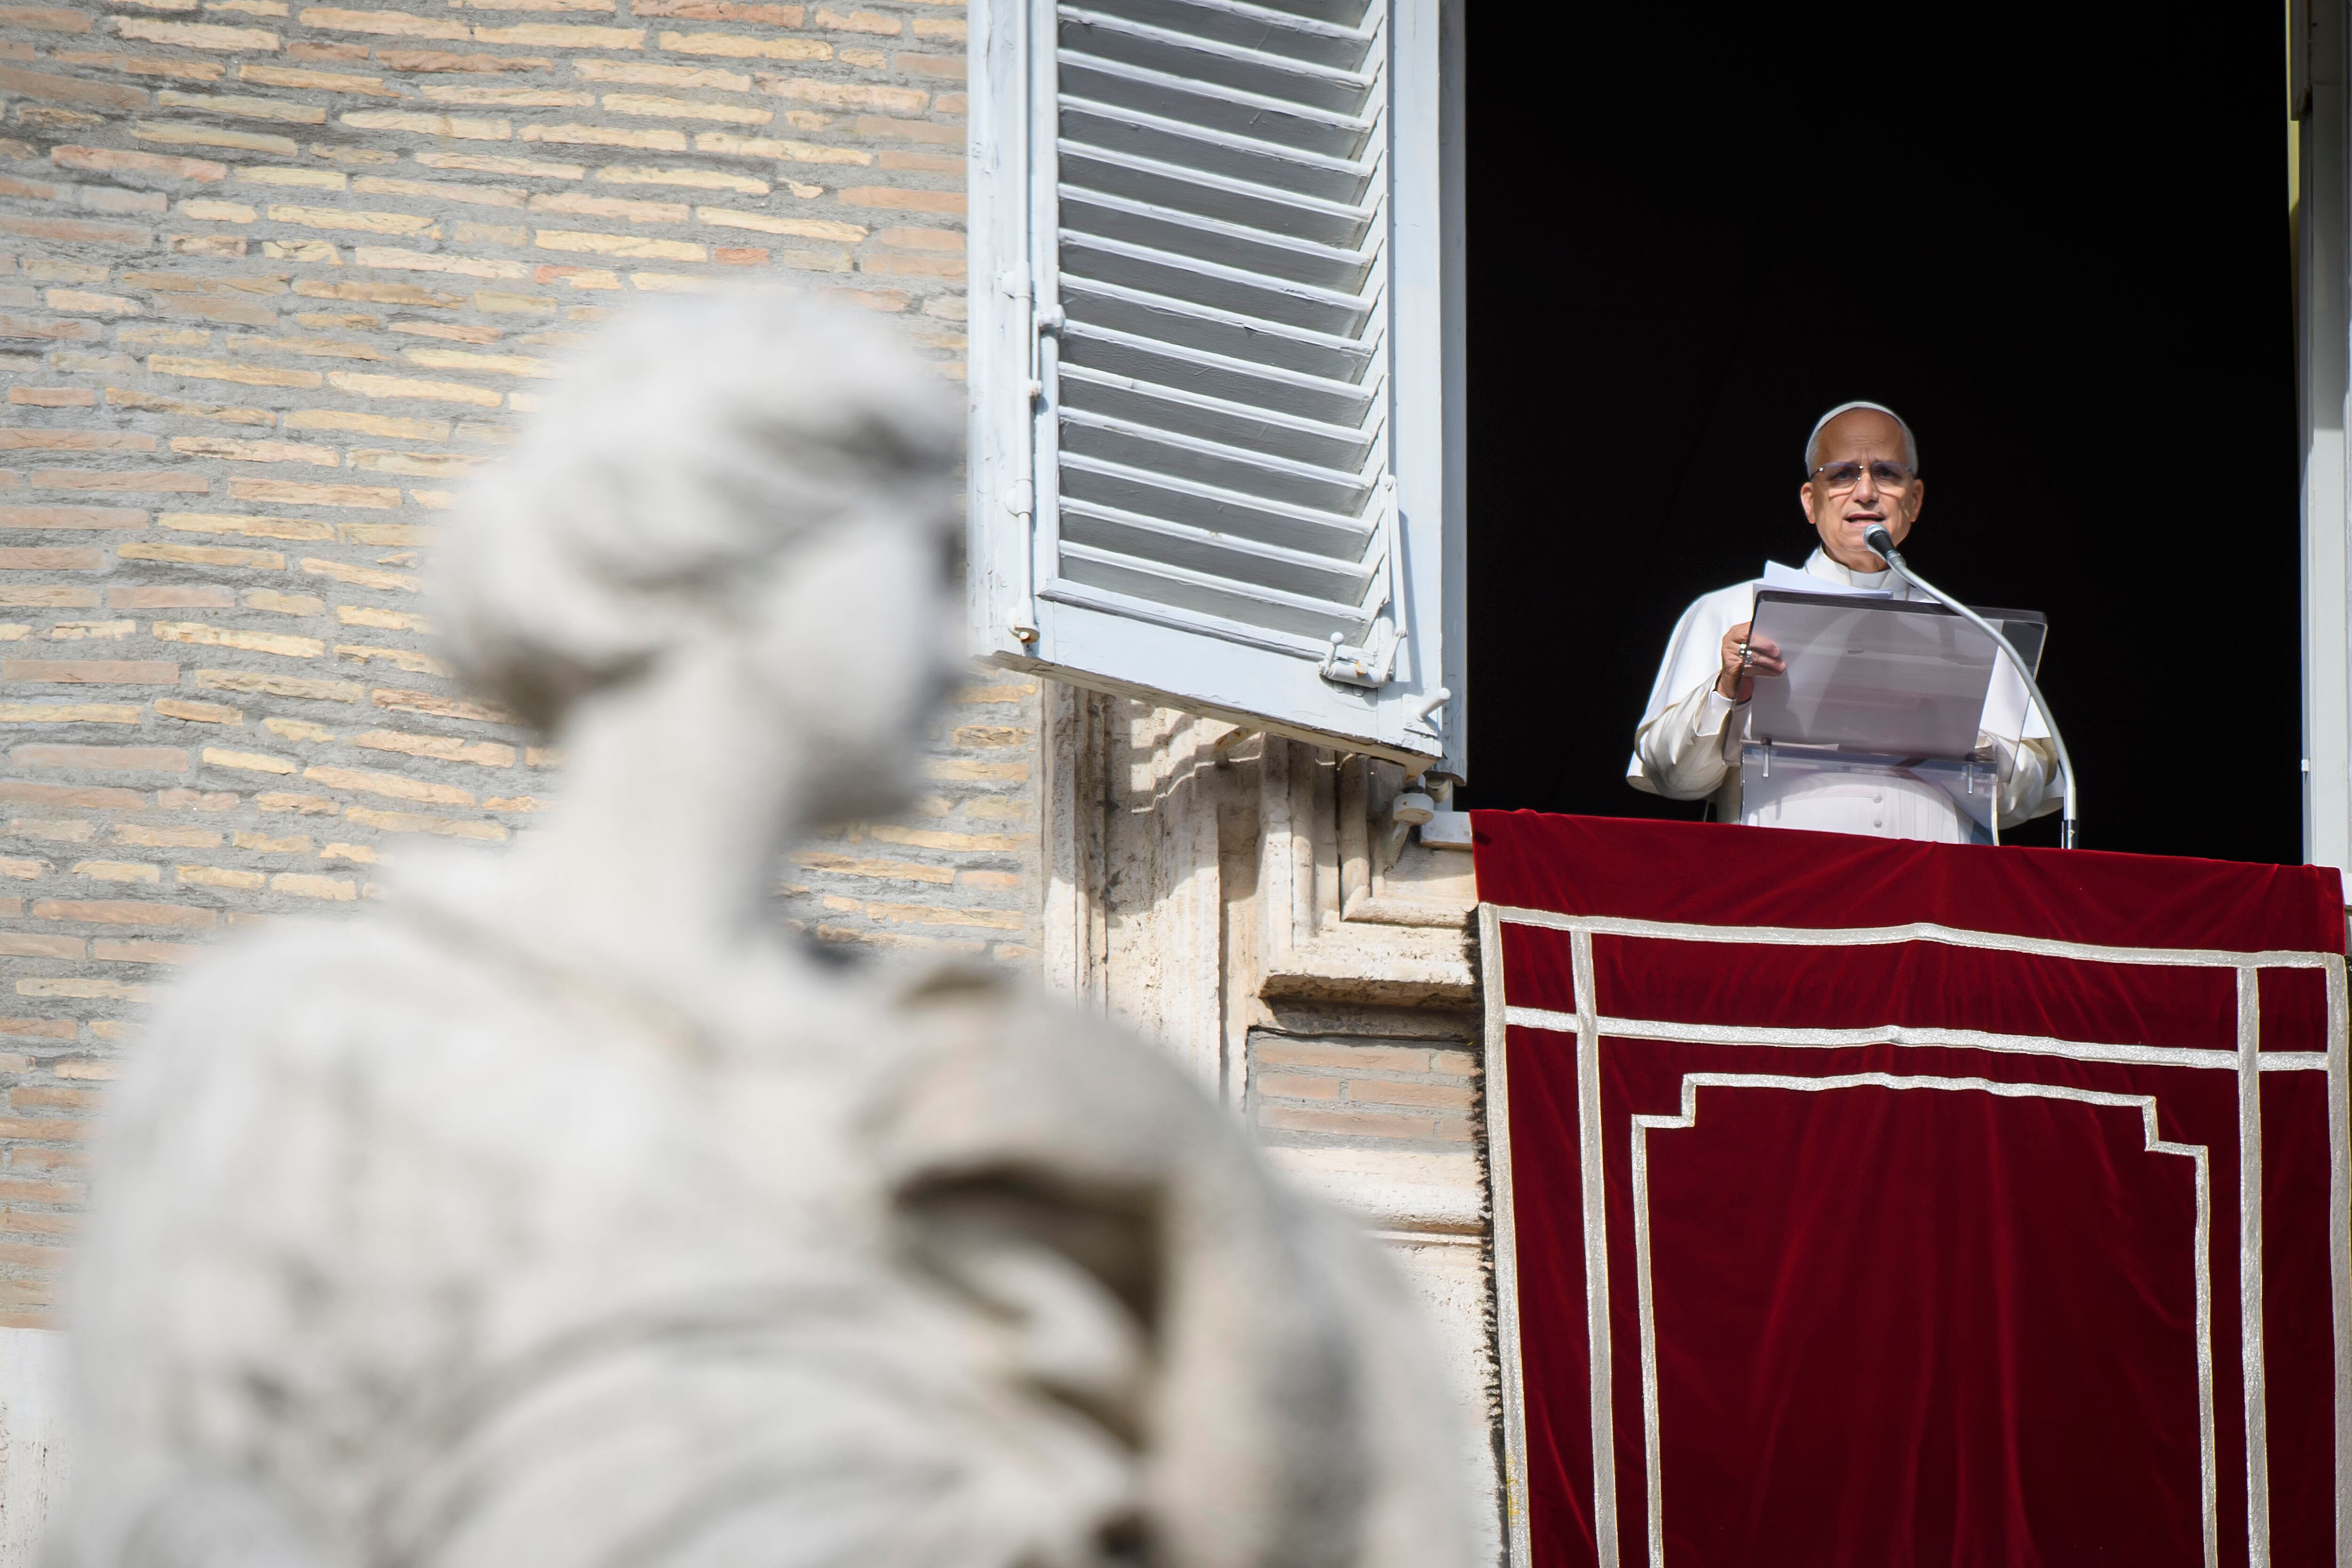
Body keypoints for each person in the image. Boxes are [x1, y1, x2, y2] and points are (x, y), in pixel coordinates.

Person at [1627, 401, 2061, 842]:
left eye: (1888, 474)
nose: (1866, 492)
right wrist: (1725, 691)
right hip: (1784, 893)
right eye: (1842, 475)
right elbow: (1674, 778)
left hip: (1929, 896)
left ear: (1915, 500)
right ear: (1810, 502)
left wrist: (1963, 741)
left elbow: (2023, 799)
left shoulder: (1973, 631)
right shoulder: (1729, 611)